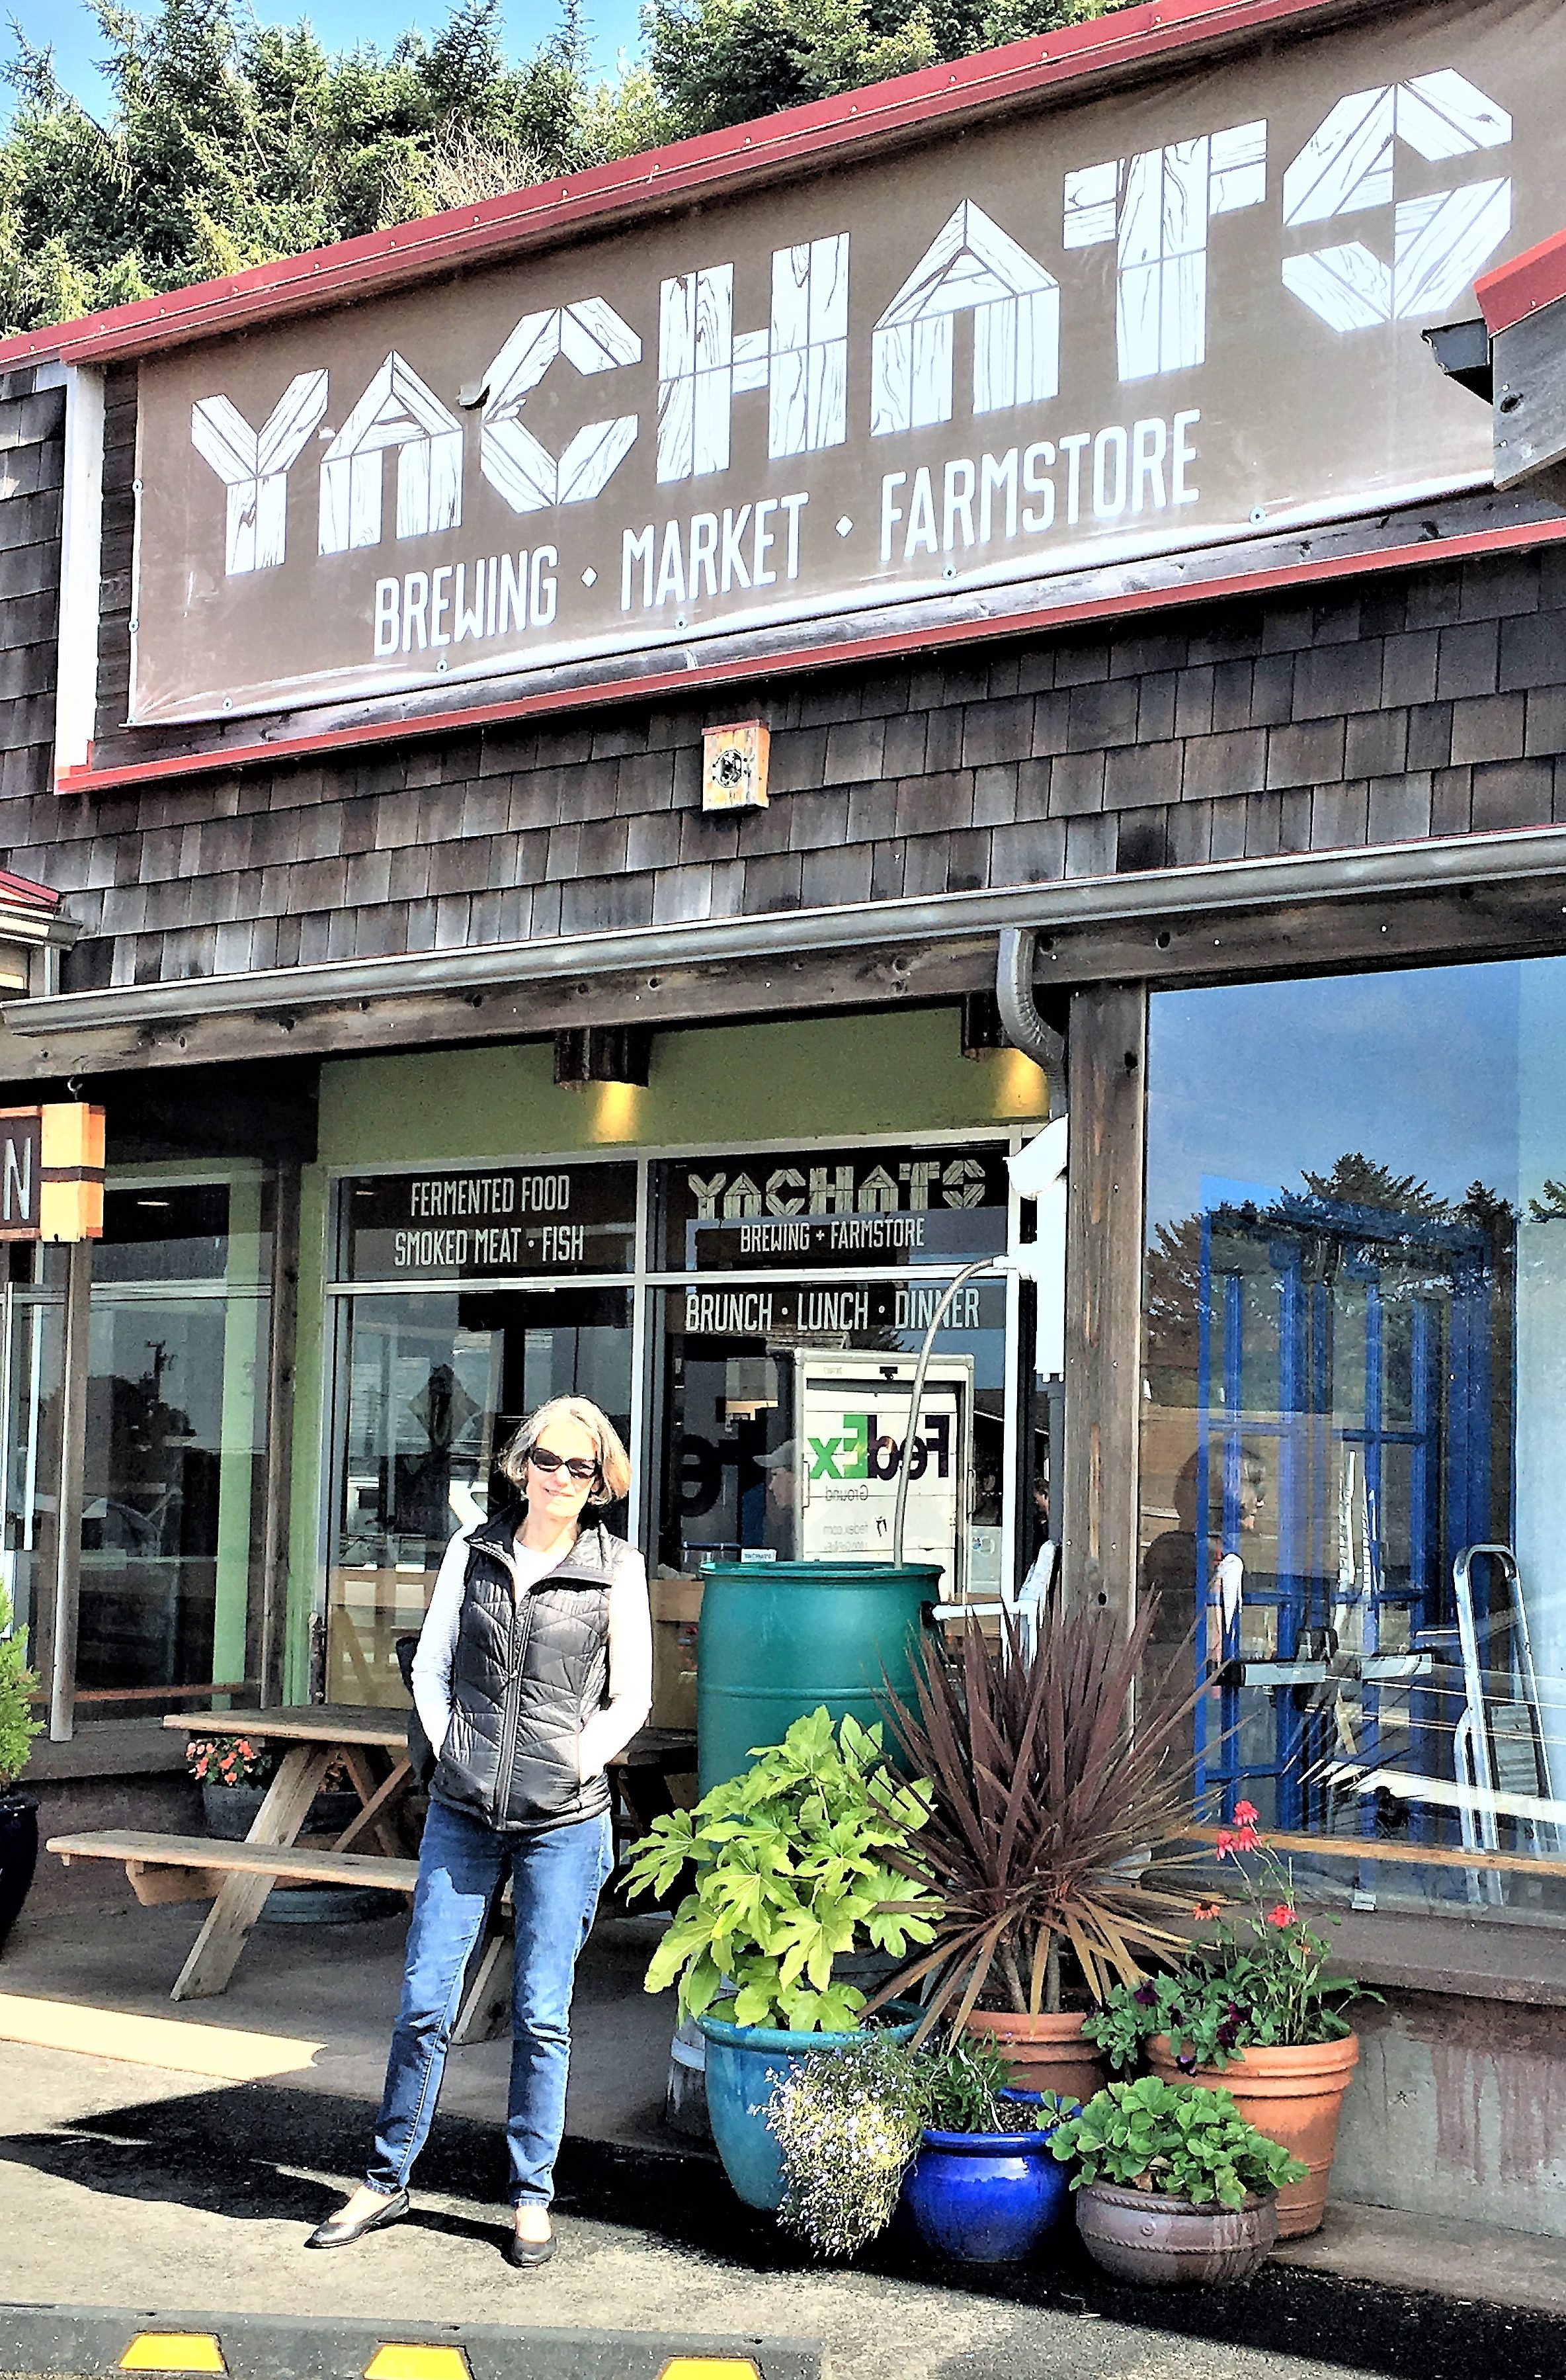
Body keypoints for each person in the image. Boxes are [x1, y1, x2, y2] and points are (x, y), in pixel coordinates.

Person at [307, 1395, 651, 2268]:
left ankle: (531, 2198)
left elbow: (632, 1697)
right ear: (522, 1465)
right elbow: (430, 1666)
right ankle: (385, 2180)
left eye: (581, 1467)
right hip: (464, 1813)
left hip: (565, 1820)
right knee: (426, 2000)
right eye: (548, 1460)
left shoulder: (618, 1567)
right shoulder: (474, 1548)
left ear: (600, 1480)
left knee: (540, 2013)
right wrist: (454, 1746)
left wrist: (575, 1760)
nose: (562, 1478)